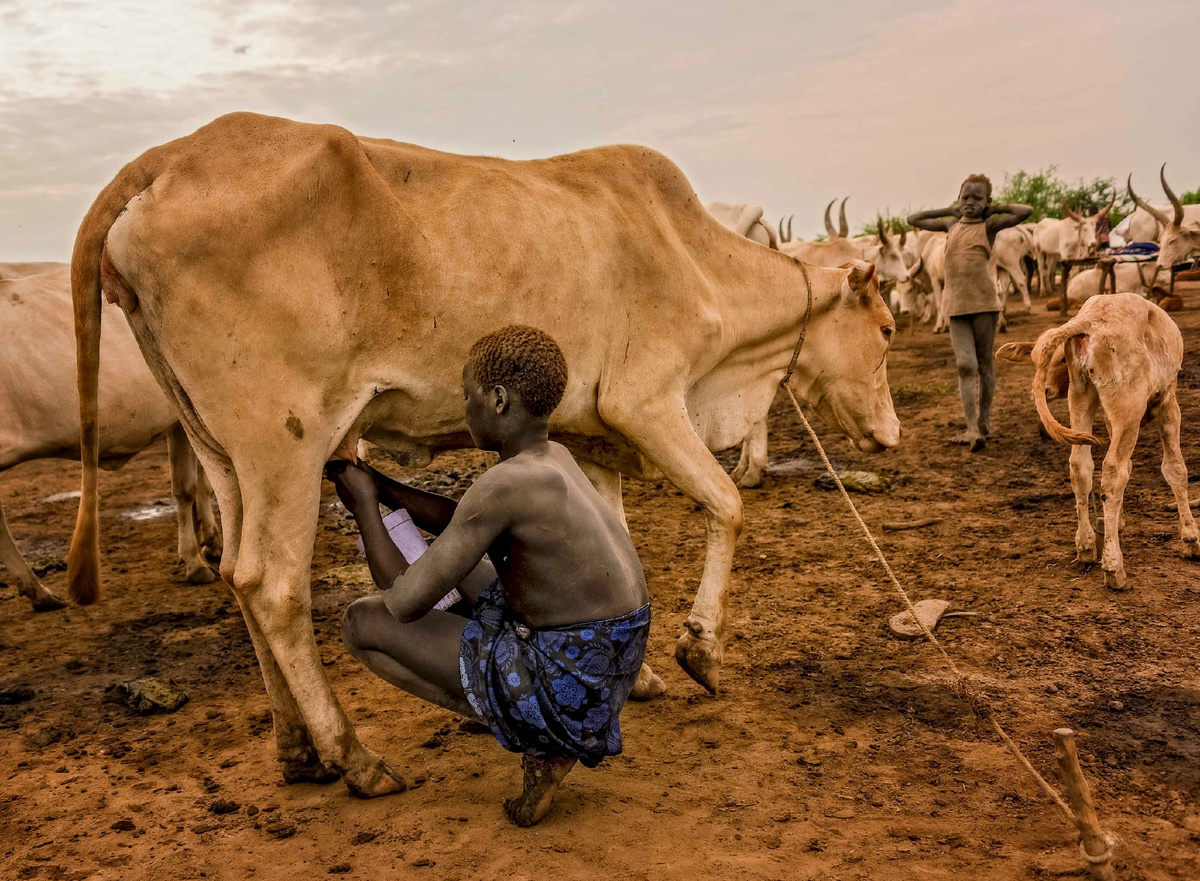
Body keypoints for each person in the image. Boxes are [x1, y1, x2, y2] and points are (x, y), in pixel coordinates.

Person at [327, 325, 651, 826]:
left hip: (570, 679)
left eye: (467, 396)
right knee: (476, 568)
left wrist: (366, 508)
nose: (464, 408)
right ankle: (540, 723)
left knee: (362, 624)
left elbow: (404, 602)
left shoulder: (502, 486)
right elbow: (465, 518)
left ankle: (540, 736)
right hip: (614, 660)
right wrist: (385, 488)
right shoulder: (552, 458)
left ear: (497, 400)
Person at [908, 176, 1032, 451]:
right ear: (958, 198)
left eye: (977, 199)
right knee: (965, 365)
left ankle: (984, 423)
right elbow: (913, 219)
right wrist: (948, 210)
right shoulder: (950, 225)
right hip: (955, 306)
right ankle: (971, 427)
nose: (970, 203)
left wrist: (994, 208)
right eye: (965, 197)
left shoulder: (989, 226)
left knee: (984, 364)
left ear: (986, 202)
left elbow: (1025, 212)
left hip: (985, 304)